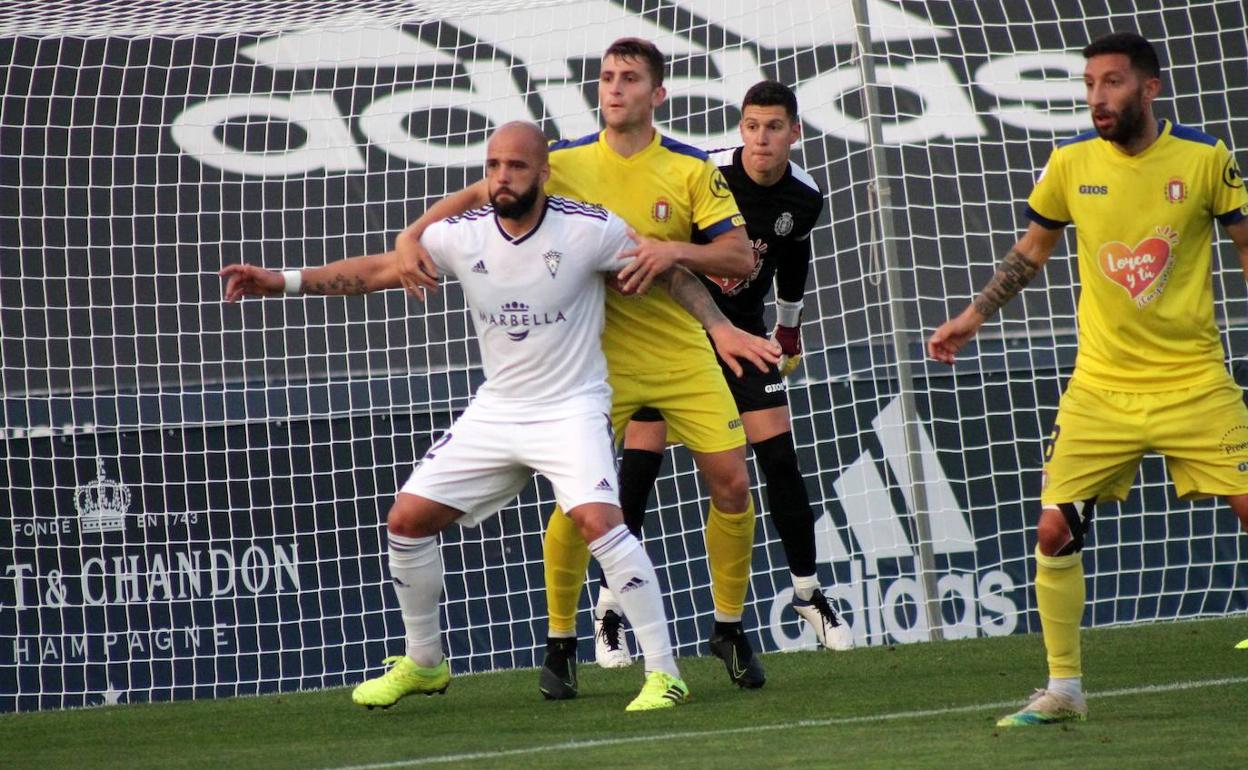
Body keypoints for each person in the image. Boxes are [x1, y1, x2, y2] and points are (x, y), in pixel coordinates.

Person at [220, 121, 775, 712]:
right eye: (492, 167)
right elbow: (380, 271)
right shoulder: (462, 236)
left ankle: (664, 672)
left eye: (515, 166)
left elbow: (669, 272)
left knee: (599, 522)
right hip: (499, 411)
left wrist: (719, 328)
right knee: (406, 521)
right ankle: (425, 663)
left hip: (571, 408)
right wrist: (281, 282)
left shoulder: (589, 230)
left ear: (543, 173)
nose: (501, 177)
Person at [393, 38, 780, 695]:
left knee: (733, 485)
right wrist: (409, 237)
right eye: (605, 77)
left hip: (679, 348)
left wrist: (674, 254)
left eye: (629, 79)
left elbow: (741, 259)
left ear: (657, 94)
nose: (614, 88)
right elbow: (474, 195)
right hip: (593, 358)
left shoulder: (689, 168)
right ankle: (560, 640)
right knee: (579, 505)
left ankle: (728, 626)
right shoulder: (561, 163)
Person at [927, 32, 1248, 726]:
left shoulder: (1204, 158)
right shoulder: (1070, 161)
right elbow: (1031, 251)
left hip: (1194, 380)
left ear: (1149, 88)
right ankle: (1064, 689)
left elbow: (1246, 246)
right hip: (1100, 388)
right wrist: (972, 317)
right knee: (1052, 533)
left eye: (1111, 83)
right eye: (1090, 85)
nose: (1097, 97)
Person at [593, 81, 853, 671]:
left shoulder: (804, 196)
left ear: (795, 132)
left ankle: (809, 594)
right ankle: (610, 607)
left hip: (742, 336)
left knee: (779, 459)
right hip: (674, 336)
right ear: (741, 129)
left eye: (775, 127)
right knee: (639, 465)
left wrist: (788, 328)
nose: (762, 139)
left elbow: (792, 258)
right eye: (752, 126)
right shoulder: (704, 173)